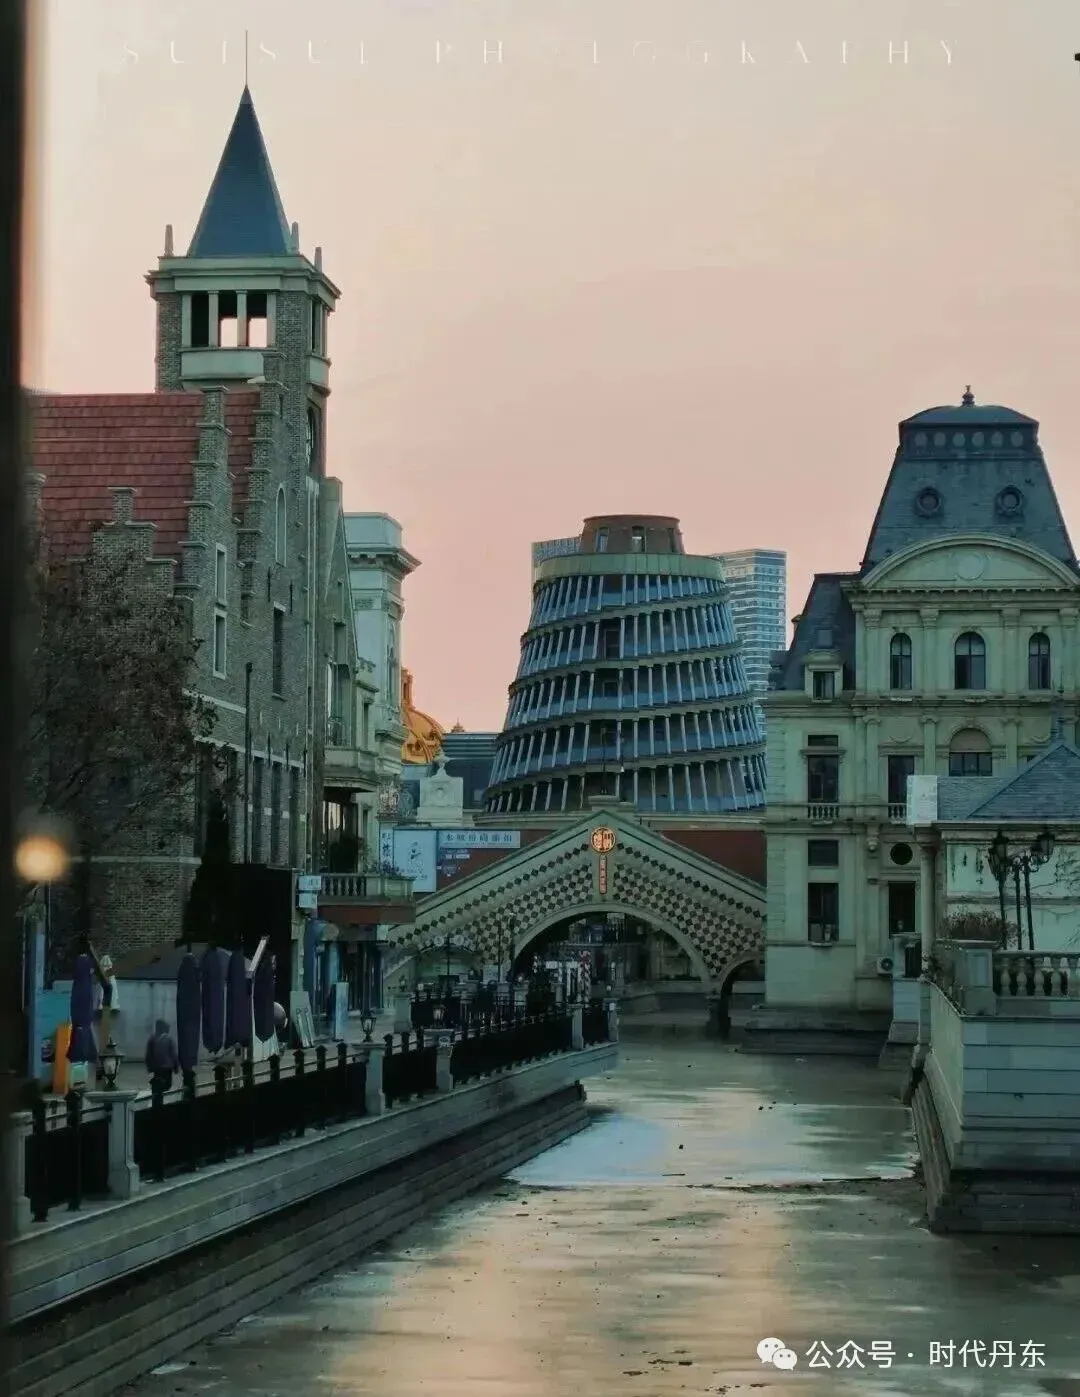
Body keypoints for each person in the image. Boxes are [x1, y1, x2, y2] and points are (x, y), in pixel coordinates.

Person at [145, 1019, 179, 1094]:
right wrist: (176, 1066)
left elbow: (148, 1054)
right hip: (167, 1068)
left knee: (159, 1086)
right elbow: (173, 1054)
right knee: (167, 1085)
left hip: (156, 1067)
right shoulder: (168, 1039)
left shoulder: (152, 1038)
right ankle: (158, 1089)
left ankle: (156, 1089)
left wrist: (149, 1067)